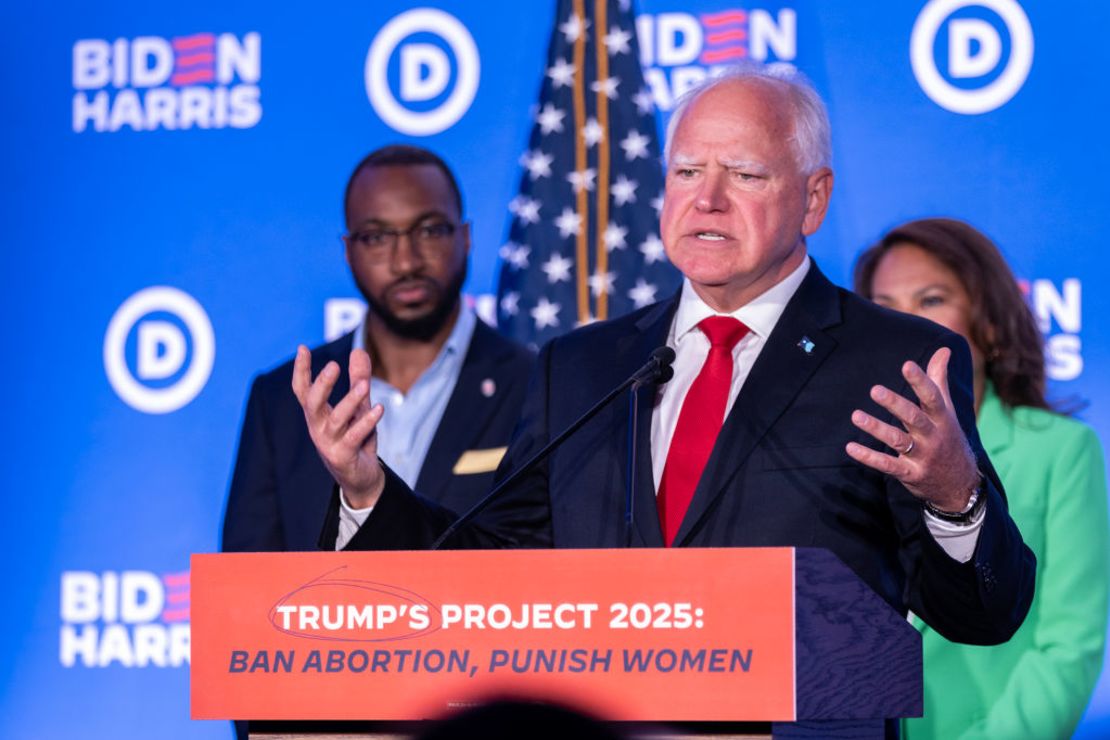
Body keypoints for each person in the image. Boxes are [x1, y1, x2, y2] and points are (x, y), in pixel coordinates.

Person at [294, 64, 1035, 647]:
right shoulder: (579, 367)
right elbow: (491, 568)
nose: (706, 200)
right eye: (686, 172)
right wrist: (367, 490)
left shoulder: (895, 361)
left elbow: (981, 614)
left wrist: (954, 498)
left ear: (813, 200)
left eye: (744, 175)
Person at [855, 218, 1109, 739]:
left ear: (988, 323)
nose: (905, 324)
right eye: (885, 304)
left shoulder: (1060, 450)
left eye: (930, 300)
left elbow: (1069, 646)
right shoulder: (848, 451)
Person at [222, 144, 534, 552]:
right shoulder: (282, 399)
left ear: (466, 237)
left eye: (430, 230)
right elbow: (248, 589)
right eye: (377, 237)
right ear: (349, 252)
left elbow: (539, 567)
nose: (406, 262)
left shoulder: (535, 384)